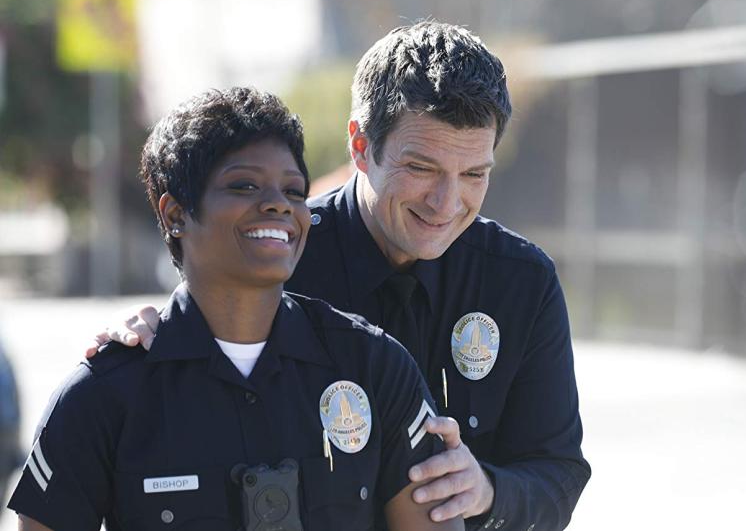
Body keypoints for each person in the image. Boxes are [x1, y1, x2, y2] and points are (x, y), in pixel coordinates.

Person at [92, 21, 591, 530]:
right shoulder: (275, 255)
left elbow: (557, 470)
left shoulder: (521, 282)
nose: (446, 203)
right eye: (421, 168)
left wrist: (486, 491)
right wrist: (164, 332)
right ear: (360, 146)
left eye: (473, 175)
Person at [8, 87, 463, 531]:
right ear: (175, 215)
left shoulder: (375, 366)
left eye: (294, 191)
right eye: (244, 185)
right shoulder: (103, 394)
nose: (278, 204)